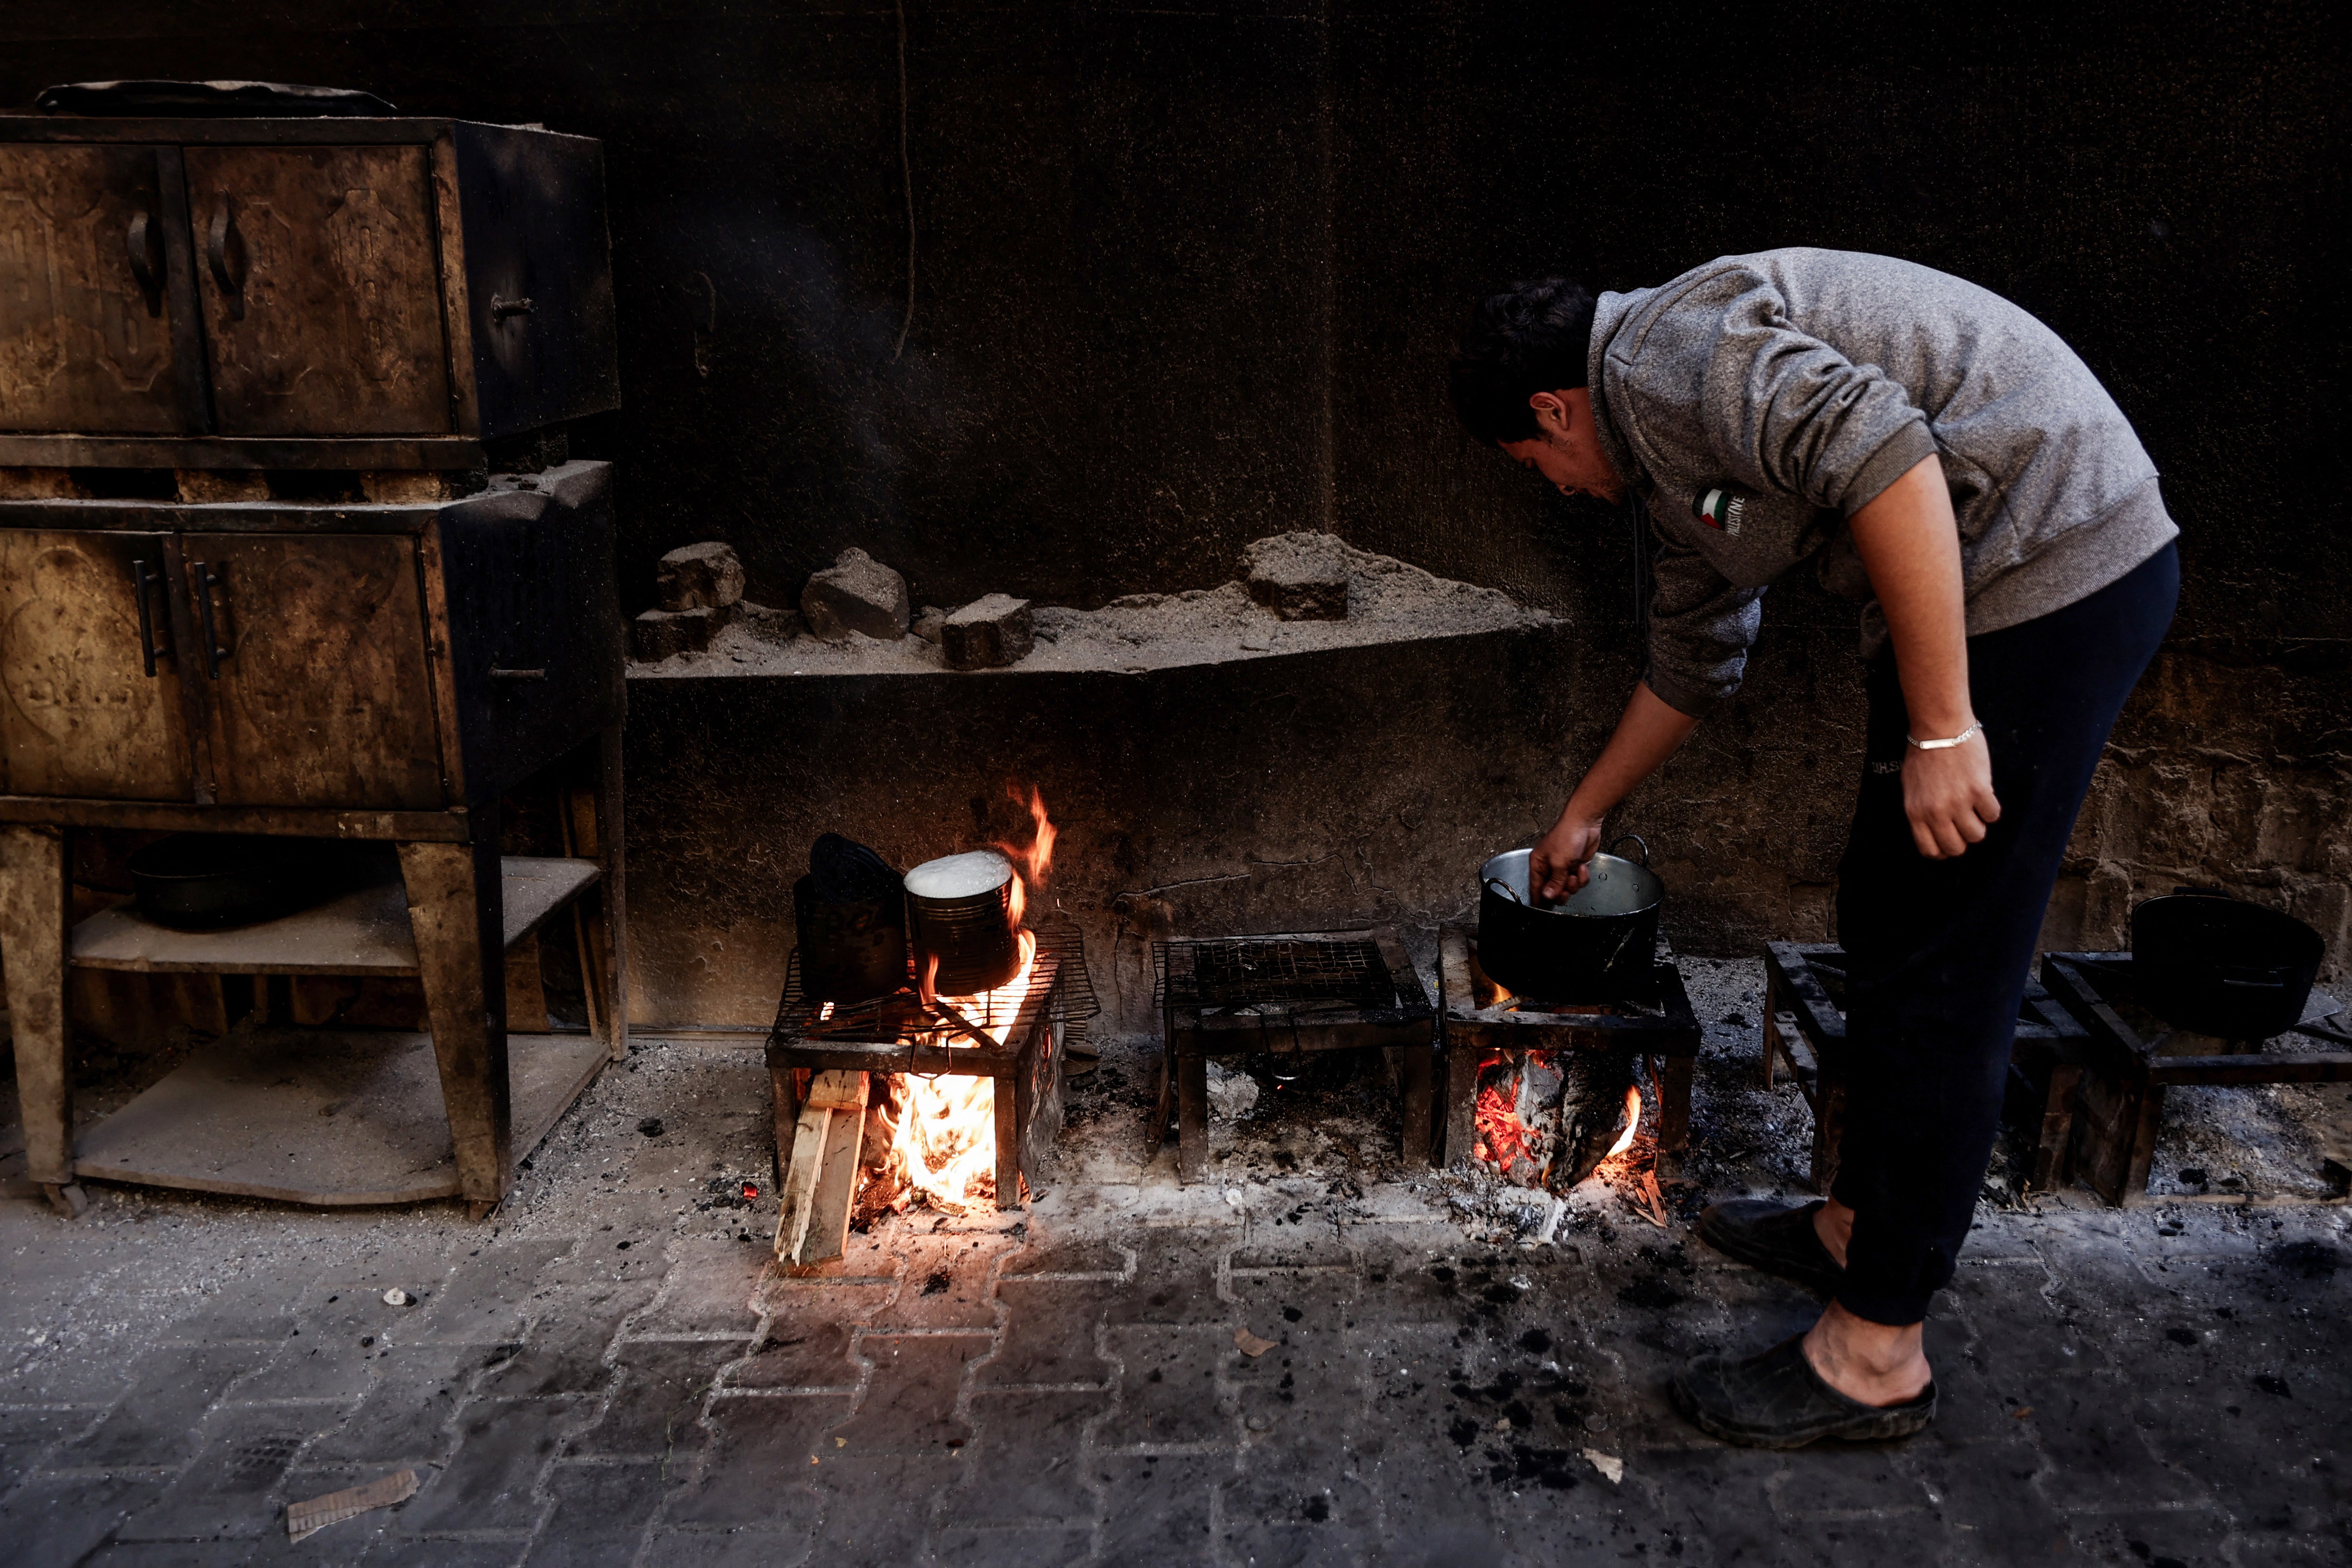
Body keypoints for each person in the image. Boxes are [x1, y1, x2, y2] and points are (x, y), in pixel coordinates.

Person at [1449, 249, 2178, 1448]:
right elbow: (1694, 657)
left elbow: (1890, 454)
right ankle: (1855, 1222)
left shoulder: (1666, 359)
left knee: (1951, 959)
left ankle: (1876, 1353)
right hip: (1971, 592)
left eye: (1540, 465)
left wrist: (1947, 725)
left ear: (1553, 407)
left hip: (2054, 566)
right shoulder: (1663, 455)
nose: (1559, 488)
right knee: (1886, 915)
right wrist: (1589, 812)